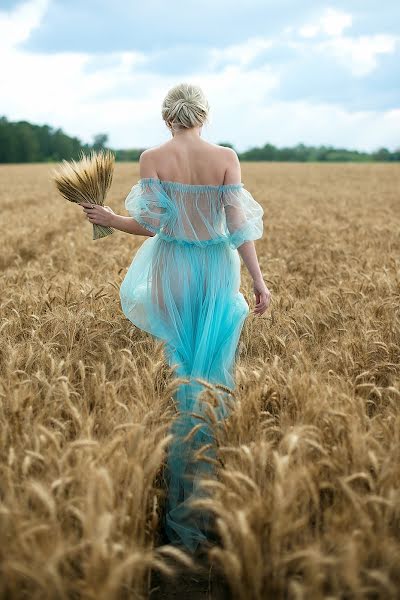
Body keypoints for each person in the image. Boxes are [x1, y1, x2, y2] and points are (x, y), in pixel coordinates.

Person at [79, 82, 271, 554]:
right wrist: (259, 282)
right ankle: (209, 475)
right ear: (204, 115)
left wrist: (106, 218)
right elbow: (238, 227)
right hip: (214, 267)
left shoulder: (152, 157)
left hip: (172, 265)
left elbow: (150, 226)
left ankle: (177, 475)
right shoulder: (225, 156)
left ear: (167, 117)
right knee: (211, 373)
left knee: (182, 367)